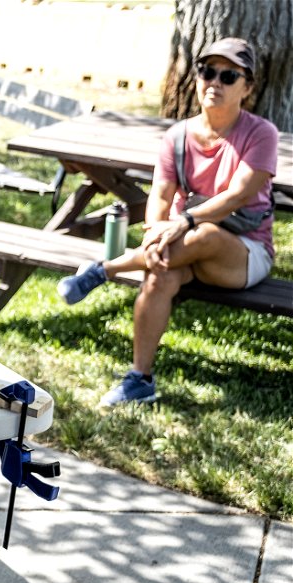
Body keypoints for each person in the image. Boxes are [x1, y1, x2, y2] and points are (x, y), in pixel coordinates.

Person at [57, 37, 278, 407]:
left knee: (204, 234)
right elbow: (160, 197)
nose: (215, 83)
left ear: (248, 87)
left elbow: (239, 195)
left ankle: (105, 270)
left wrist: (184, 221)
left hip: (244, 253)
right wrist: (155, 234)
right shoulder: (178, 136)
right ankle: (140, 379)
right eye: (207, 72)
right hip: (179, 246)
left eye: (228, 76)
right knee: (159, 275)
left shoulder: (260, 134)